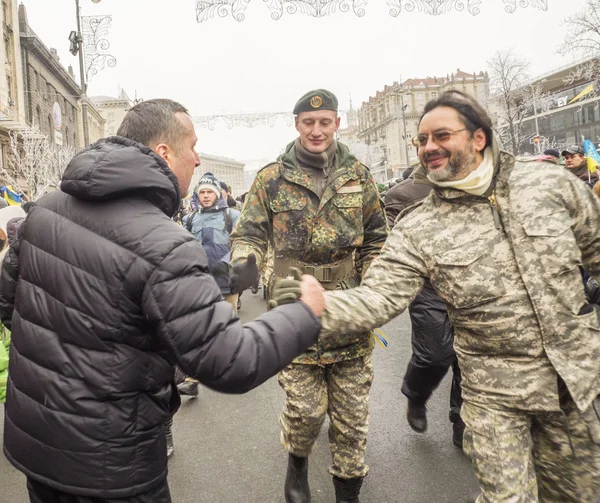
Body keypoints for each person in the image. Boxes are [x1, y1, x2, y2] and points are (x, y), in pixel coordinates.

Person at [0, 98, 326, 503]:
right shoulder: (164, 242)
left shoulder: (43, 211)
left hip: (37, 448)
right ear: (164, 152)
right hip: (113, 466)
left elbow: (10, 302)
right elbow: (229, 361)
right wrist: (303, 313)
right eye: (192, 145)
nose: (197, 158)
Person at [282, 90, 600, 502]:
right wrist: (320, 306)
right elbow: (380, 294)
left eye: (441, 135)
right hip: (495, 396)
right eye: (422, 140)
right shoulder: (420, 226)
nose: (429, 147)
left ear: (478, 138)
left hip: (576, 386)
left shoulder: (550, 185)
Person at [230, 89, 388, 503]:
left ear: (337, 123)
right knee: (305, 411)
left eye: (325, 122)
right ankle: (297, 460)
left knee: (352, 420)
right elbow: (249, 233)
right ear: (296, 124)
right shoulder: (271, 178)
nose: (317, 130)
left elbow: (376, 239)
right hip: (292, 306)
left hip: (349, 308)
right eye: (308, 122)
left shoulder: (360, 177)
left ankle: (347, 492)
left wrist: (375, 284)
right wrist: (246, 262)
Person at [385, 176, 464, 448]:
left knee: (469, 361)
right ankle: (416, 395)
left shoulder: (487, 183)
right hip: (428, 286)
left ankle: (461, 420)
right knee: (435, 353)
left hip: (477, 284)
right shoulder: (402, 194)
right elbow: (387, 240)